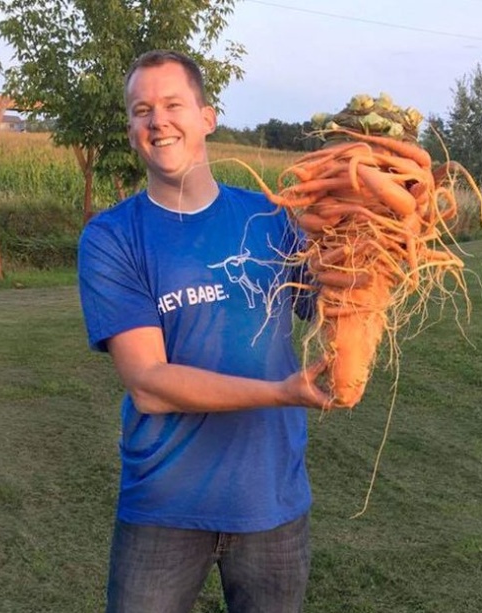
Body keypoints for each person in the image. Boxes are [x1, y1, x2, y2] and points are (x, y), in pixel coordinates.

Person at [77, 49, 332, 613]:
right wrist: (281, 394)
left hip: (272, 501)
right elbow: (148, 383)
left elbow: (331, 310)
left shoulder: (272, 218)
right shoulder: (113, 238)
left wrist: (368, 237)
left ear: (207, 117)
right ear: (131, 130)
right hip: (165, 506)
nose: (158, 121)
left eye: (172, 104)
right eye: (142, 110)